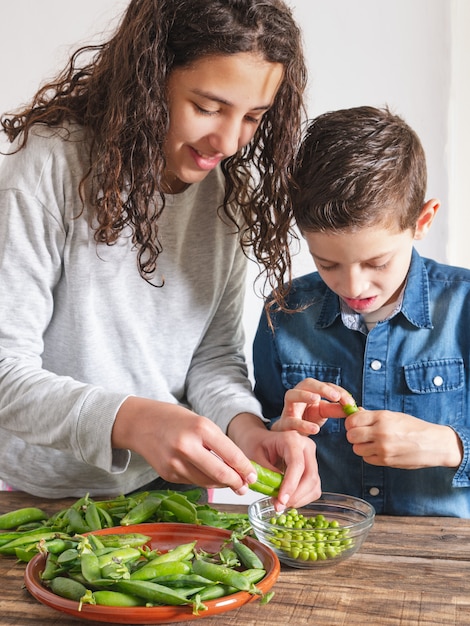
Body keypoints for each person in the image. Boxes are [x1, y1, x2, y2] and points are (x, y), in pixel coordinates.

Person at [0, 0, 320, 508]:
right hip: (36, 494)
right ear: (150, 78)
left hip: (168, 493)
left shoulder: (226, 196)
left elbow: (213, 361)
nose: (229, 141)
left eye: (253, 117)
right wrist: (132, 421)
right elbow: (5, 372)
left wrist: (248, 430)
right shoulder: (50, 164)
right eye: (208, 107)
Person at [253, 105, 470, 516]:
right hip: (323, 548)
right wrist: (280, 435)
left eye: (376, 263)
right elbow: (263, 429)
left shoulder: (464, 305)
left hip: (447, 561)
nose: (353, 287)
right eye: (328, 264)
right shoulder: (283, 314)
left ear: (423, 221)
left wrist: (449, 445)